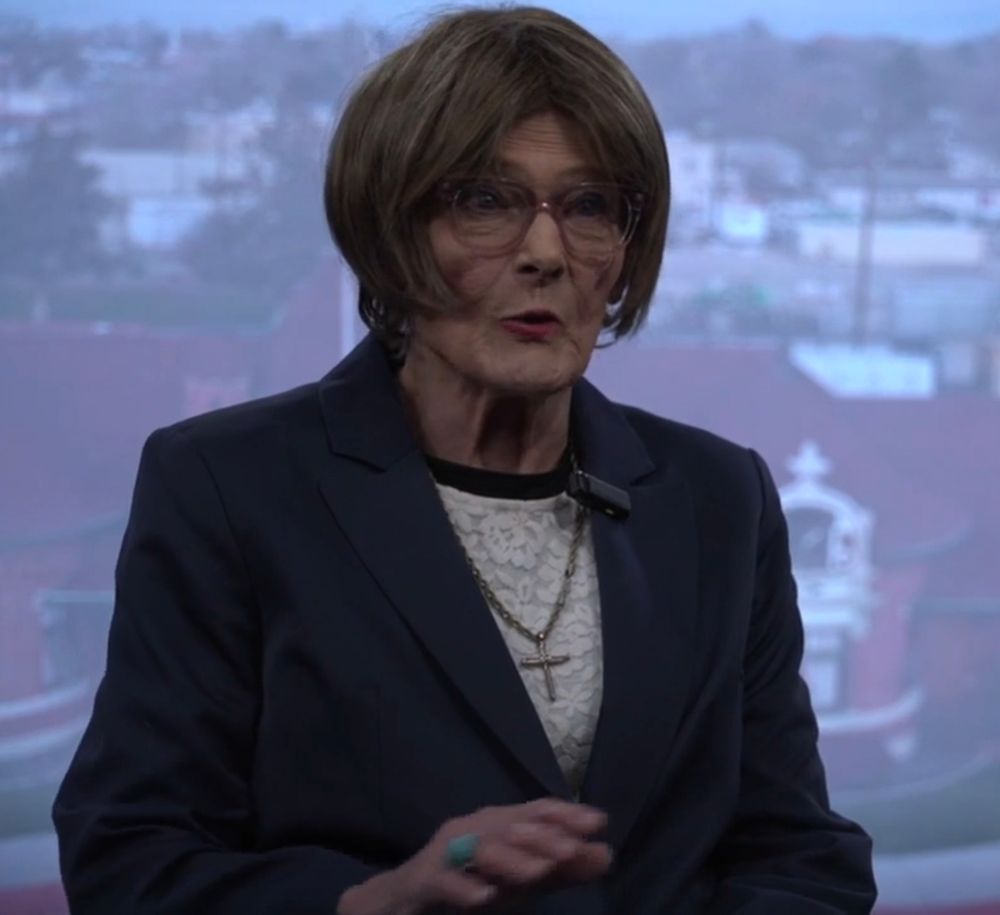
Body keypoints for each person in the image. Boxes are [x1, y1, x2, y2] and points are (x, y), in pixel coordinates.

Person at [53, 6, 876, 913]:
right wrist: (373, 902)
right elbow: (131, 859)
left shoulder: (719, 497)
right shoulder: (228, 485)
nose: (545, 252)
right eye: (485, 201)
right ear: (389, 230)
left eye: (590, 206)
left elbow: (800, 854)